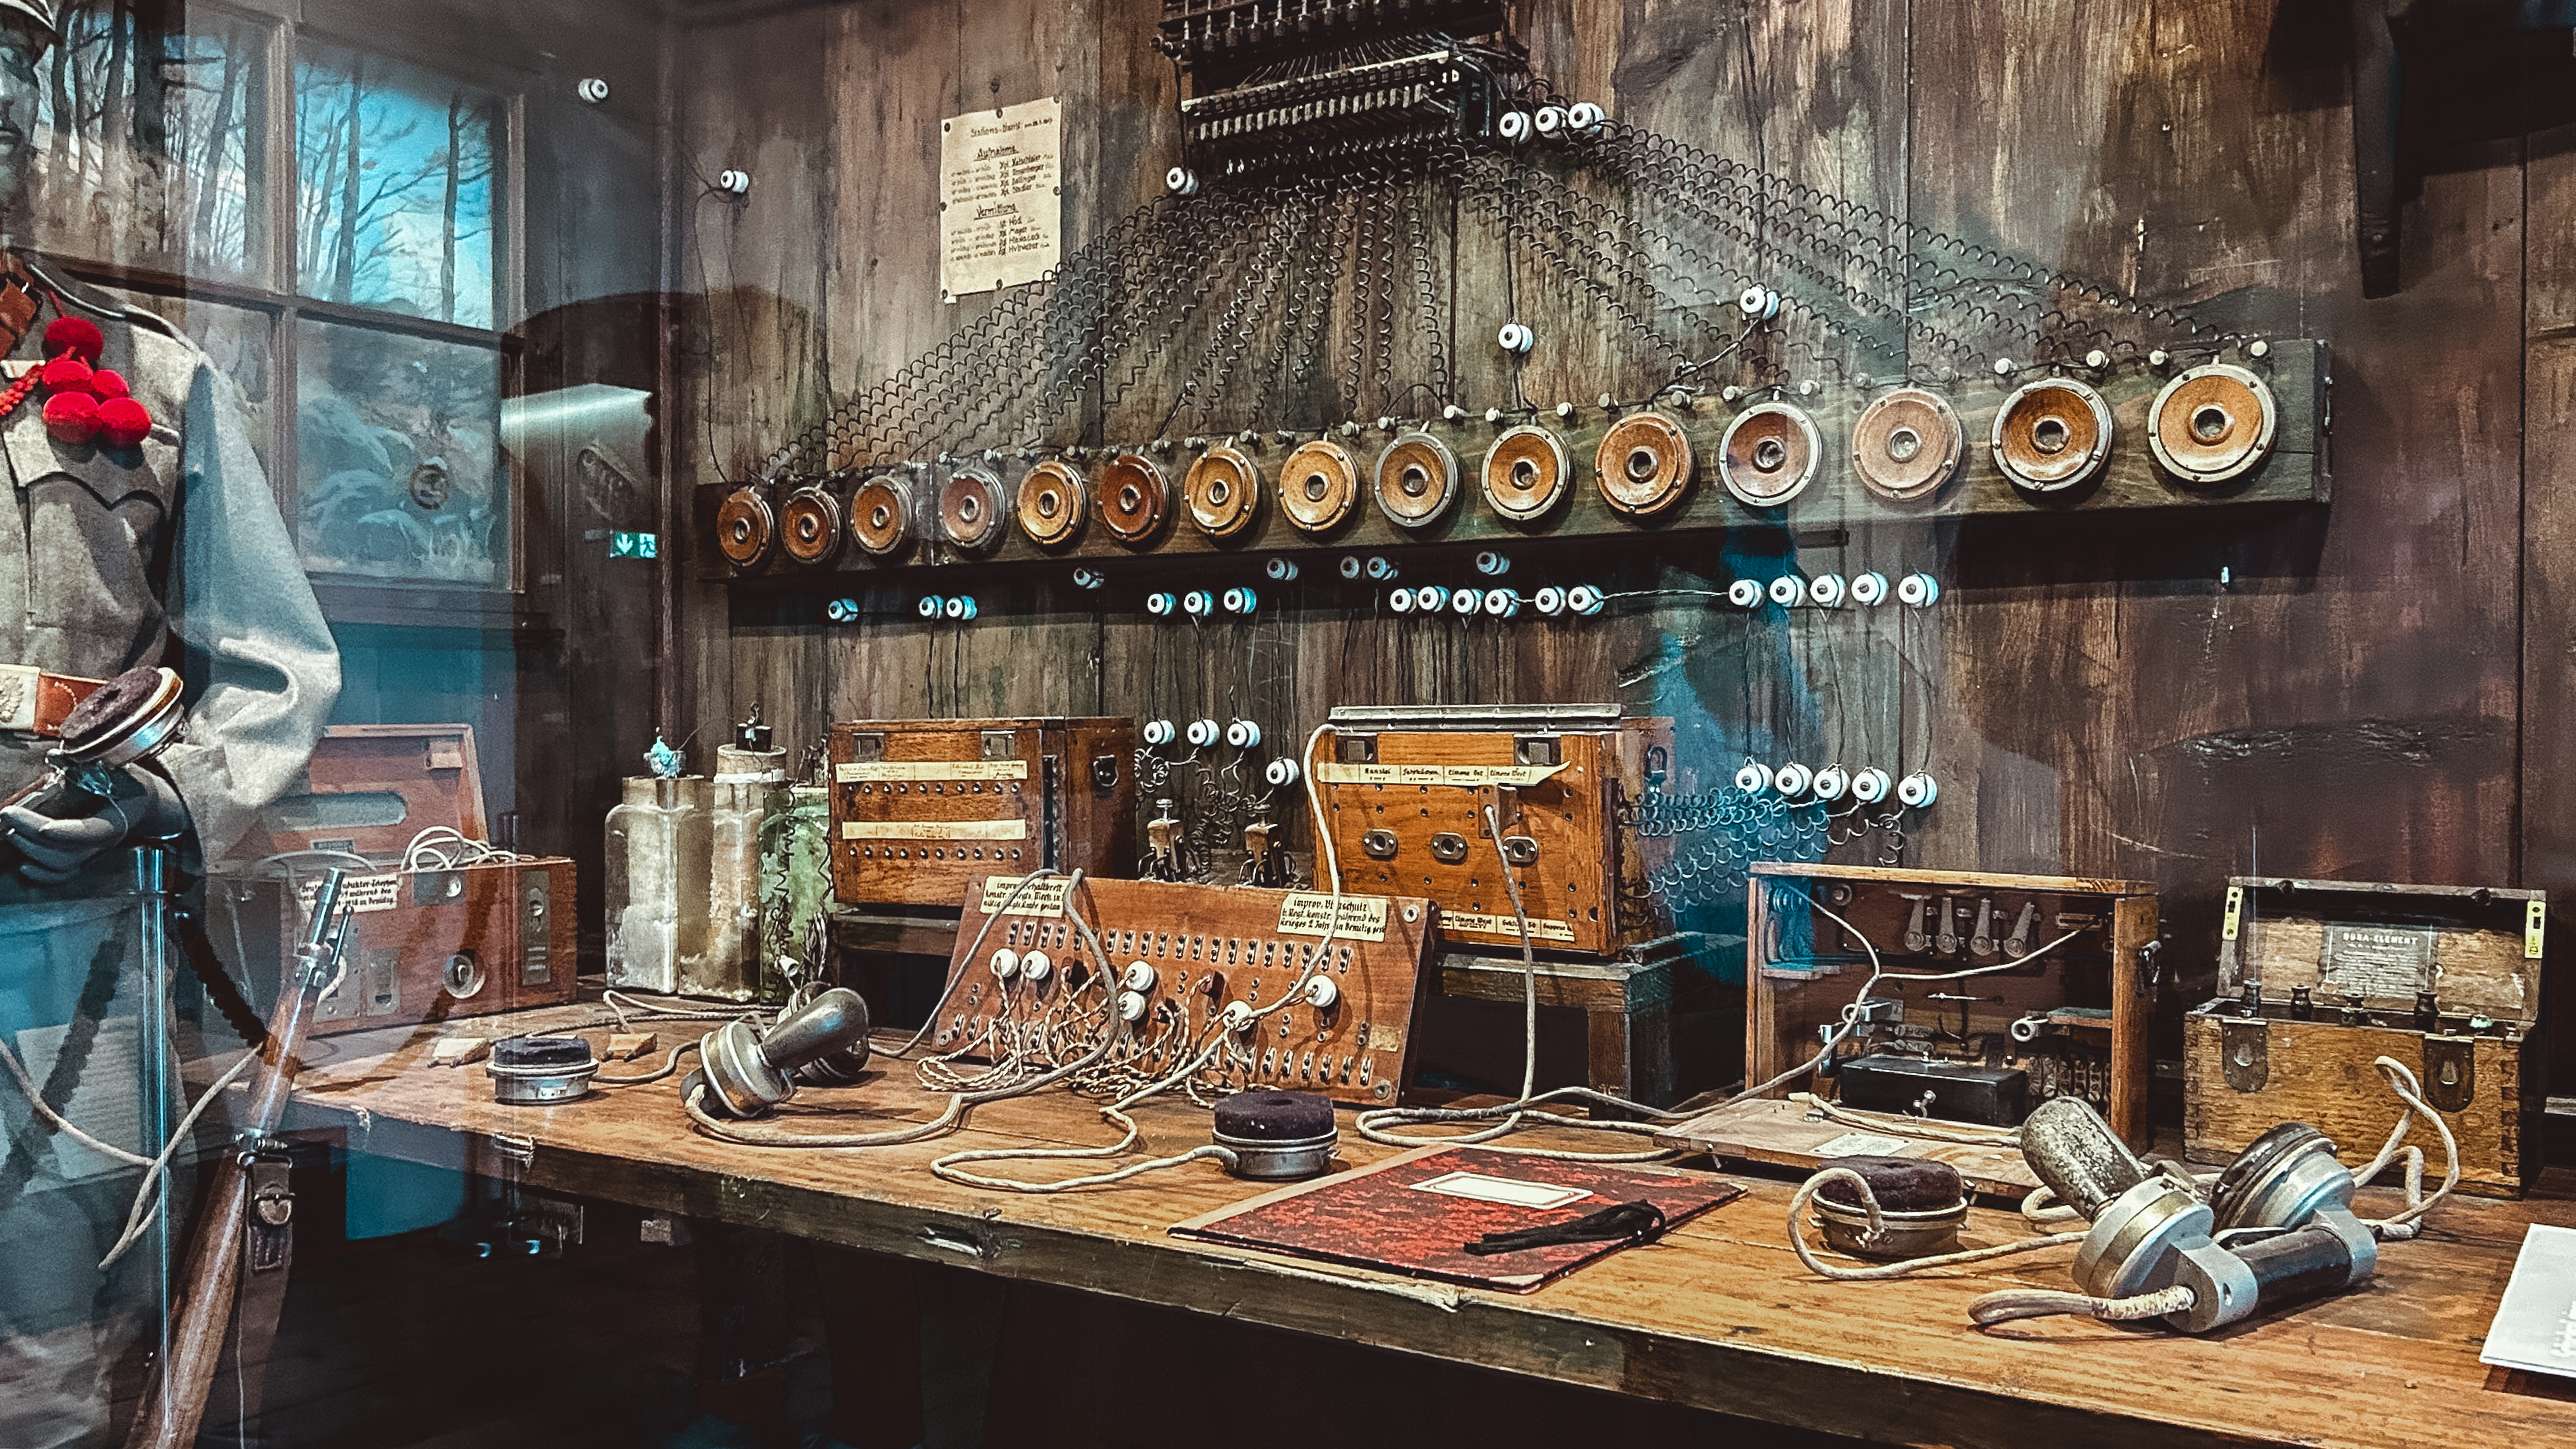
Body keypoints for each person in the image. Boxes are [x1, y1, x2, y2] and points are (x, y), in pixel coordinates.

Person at [0, 2, 341, 1443]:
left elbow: (278, 670)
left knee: (60, 1361)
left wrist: (168, 796)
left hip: (66, 958)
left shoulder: (148, 384)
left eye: (6, 110)